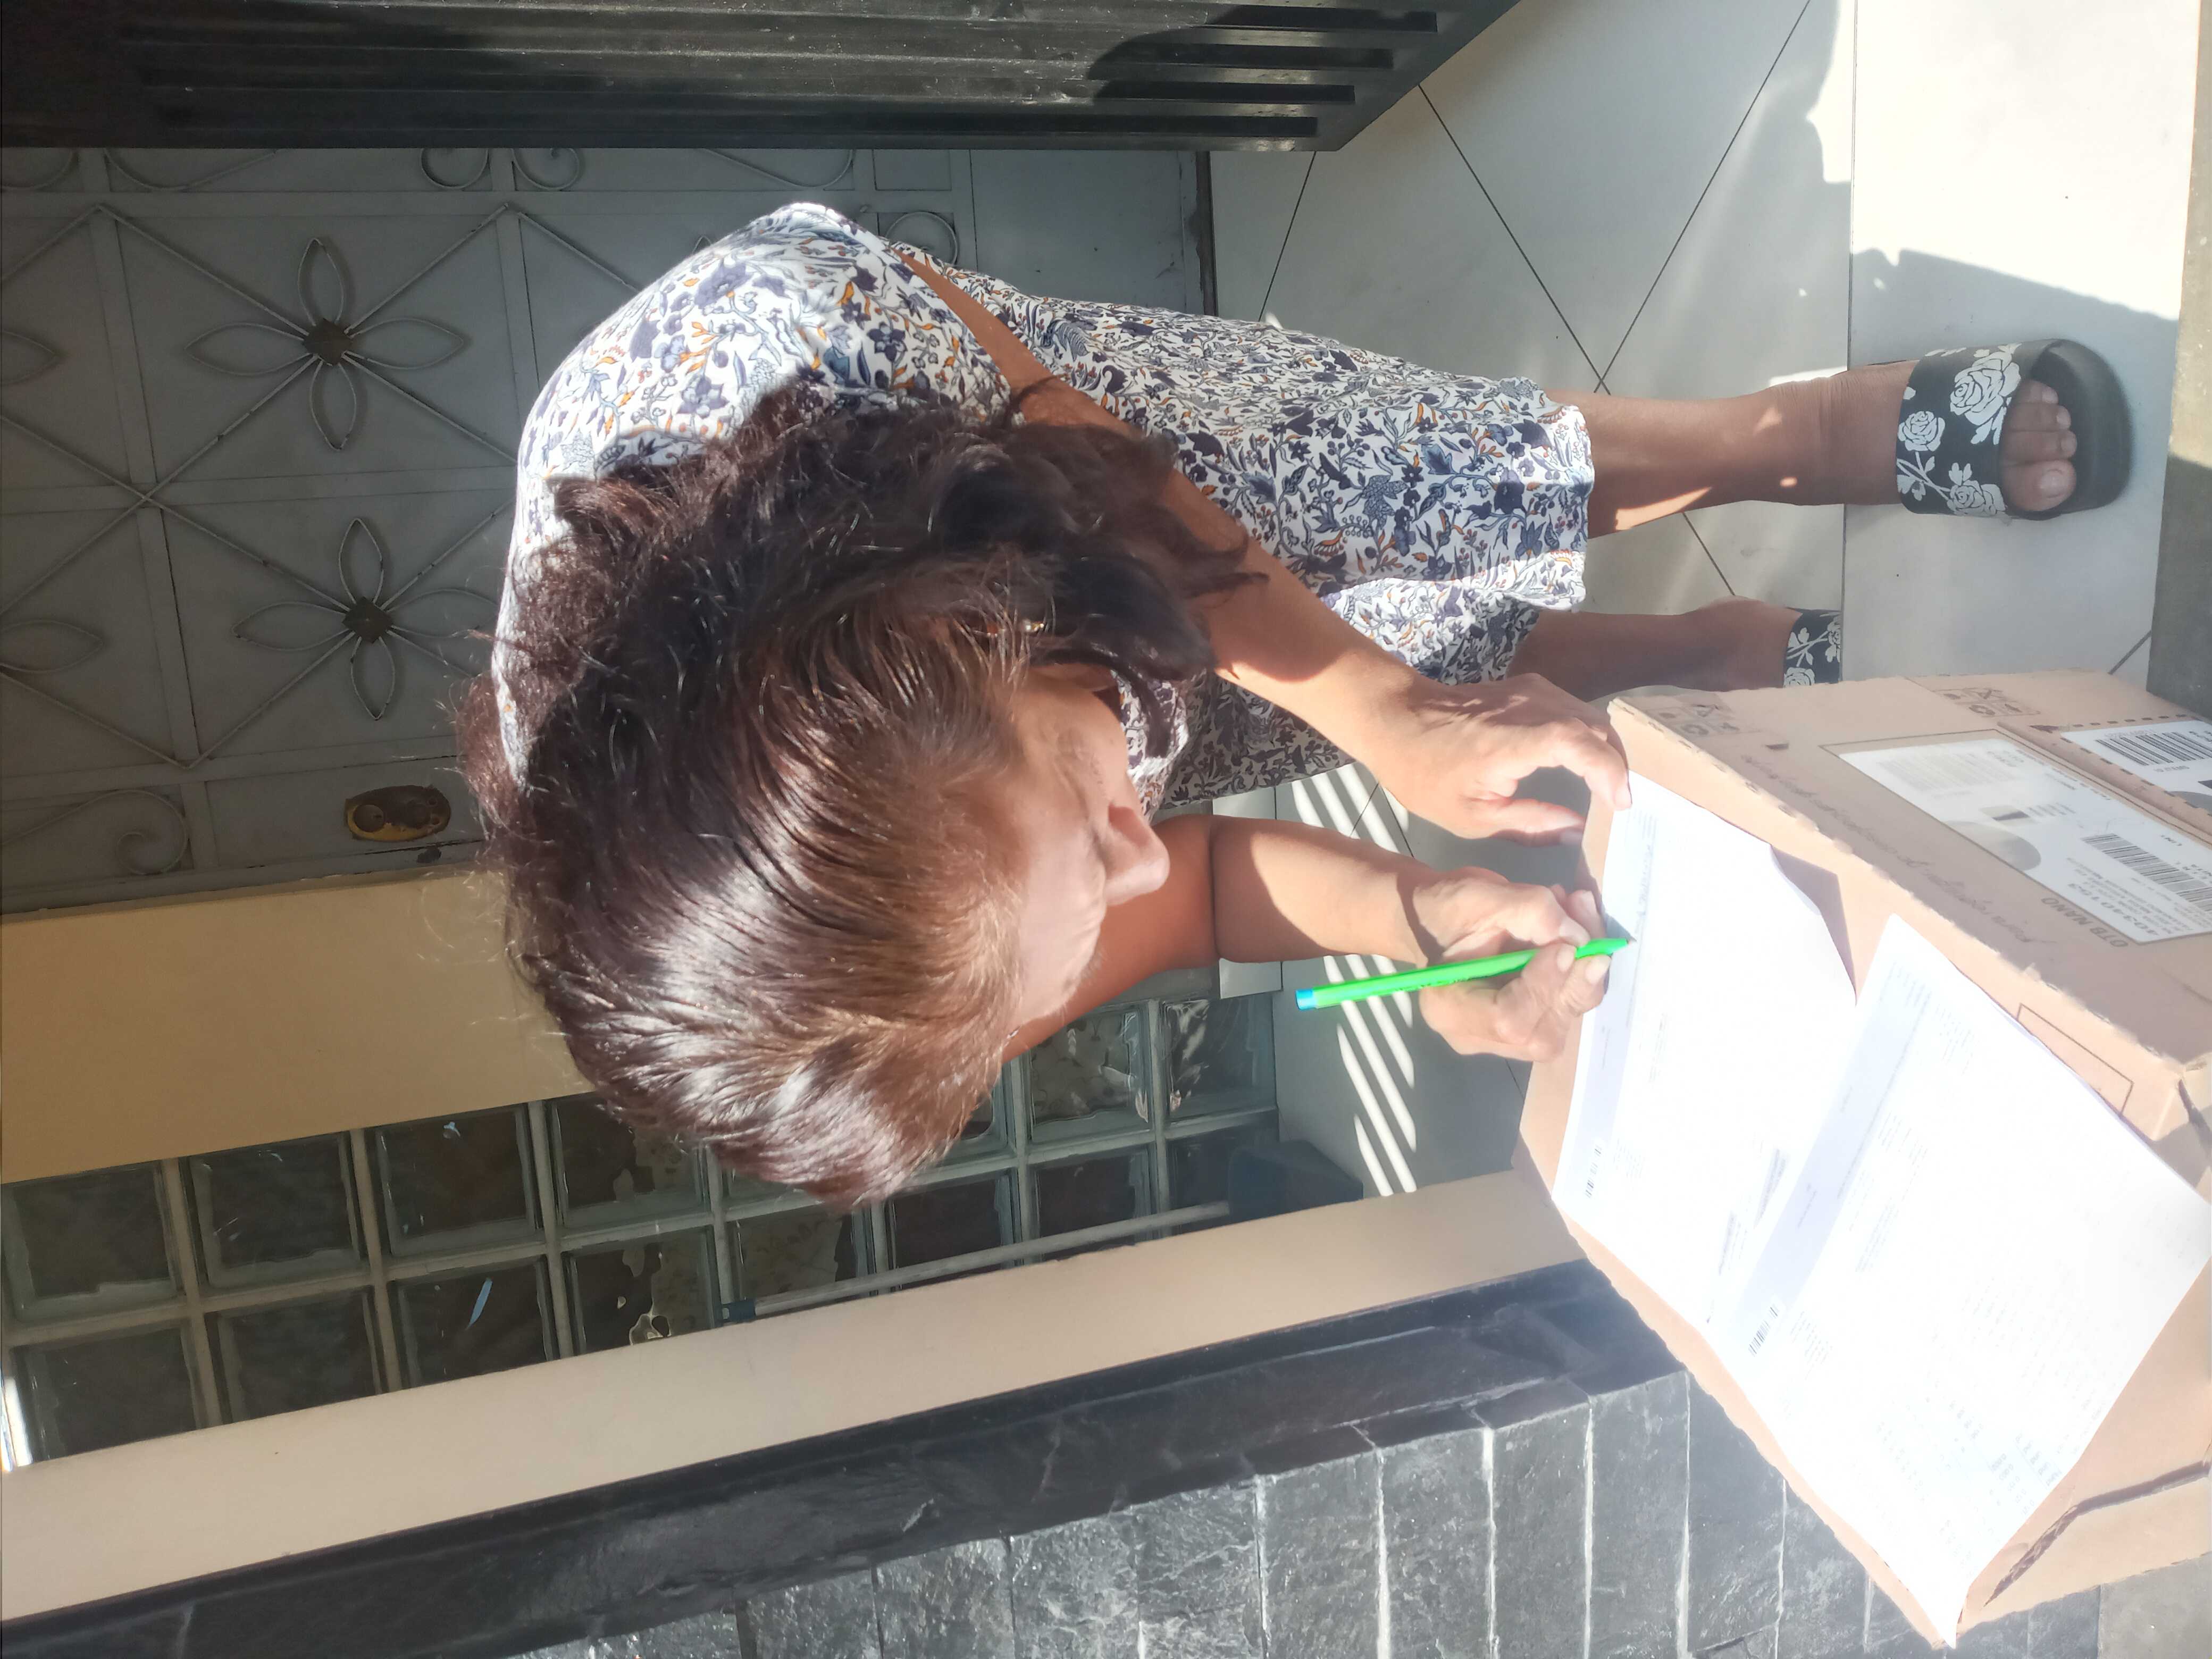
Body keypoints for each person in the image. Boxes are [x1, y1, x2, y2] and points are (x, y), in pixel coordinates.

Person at [461, 203, 2100, 1205]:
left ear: (972, 636)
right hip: (1003, 677)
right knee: (1368, 699)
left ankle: (1798, 437)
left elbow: (1108, 482)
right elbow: (1196, 898)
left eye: (1101, 817)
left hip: (1030, 461)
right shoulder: (880, 1001)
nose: (1145, 849)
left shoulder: (777, 348)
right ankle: (1712, 656)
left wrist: (1384, 707)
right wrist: (1412, 917)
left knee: (1425, 485)